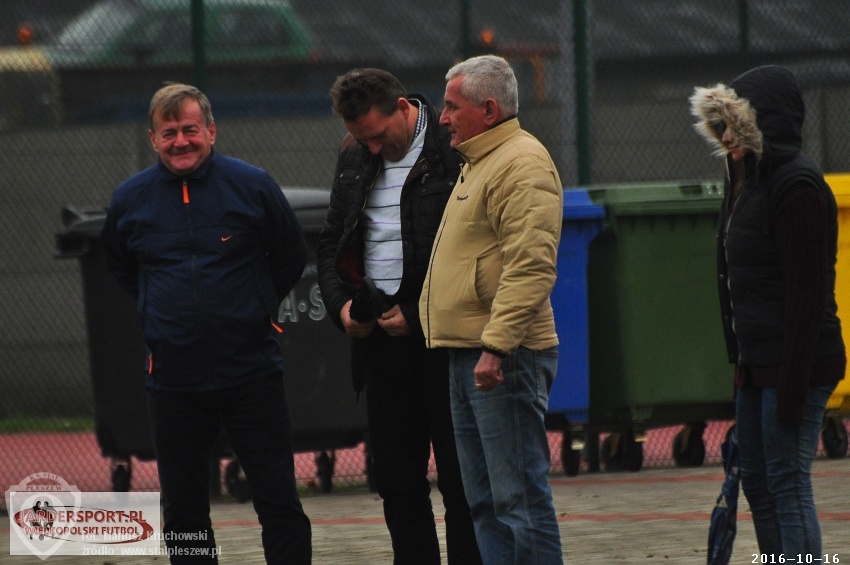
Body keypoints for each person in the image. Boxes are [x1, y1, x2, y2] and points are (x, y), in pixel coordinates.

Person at [101, 83, 312, 564]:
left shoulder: (252, 185)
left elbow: (290, 255)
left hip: (251, 371)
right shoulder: (130, 199)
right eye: (169, 132)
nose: (181, 141)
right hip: (173, 380)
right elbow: (122, 267)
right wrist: (162, 309)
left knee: (277, 500)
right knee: (183, 511)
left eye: (190, 130)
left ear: (211, 132)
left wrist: (253, 307)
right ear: (153, 139)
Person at [316, 68, 482, 565]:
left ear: (403, 108)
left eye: (377, 135)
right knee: (396, 480)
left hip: (447, 342)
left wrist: (418, 312)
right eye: (360, 138)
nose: (371, 147)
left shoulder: (451, 149)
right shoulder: (354, 153)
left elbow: (473, 250)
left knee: (461, 480)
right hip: (381, 343)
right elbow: (332, 242)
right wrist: (342, 307)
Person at [690, 65, 845, 558]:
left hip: (796, 363)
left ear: (766, 123)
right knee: (756, 481)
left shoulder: (797, 186)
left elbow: (808, 296)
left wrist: (793, 385)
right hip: (758, 365)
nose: (726, 136)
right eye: (722, 125)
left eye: (736, 124)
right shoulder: (746, 181)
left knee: (787, 481)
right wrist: (742, 366)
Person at [419, 55, 564, 564]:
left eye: (451, 106)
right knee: (484, 502)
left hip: (503, 359)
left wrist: (497, 347)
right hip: (470, 355)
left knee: (518, 500)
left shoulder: (521, 164)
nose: (442, 118)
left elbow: (532, 266)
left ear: (488, 109)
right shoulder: (479, 162)